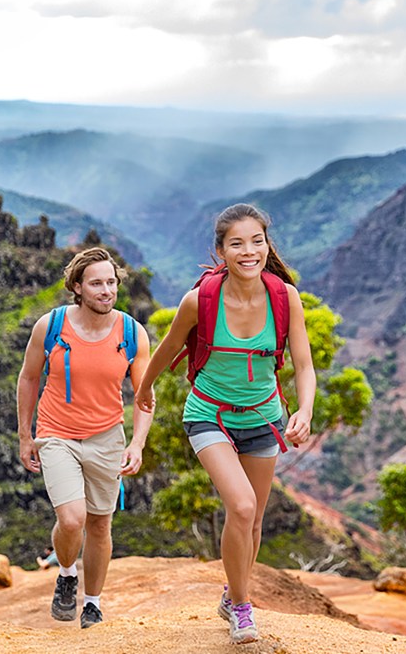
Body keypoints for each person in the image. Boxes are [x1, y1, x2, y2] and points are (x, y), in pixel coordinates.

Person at [134, 204, 315, 645]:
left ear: (267, 245)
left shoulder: (284, 297)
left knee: (253, 522)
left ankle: (232, 595)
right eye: (237, 243)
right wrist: (144, 387)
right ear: (221, 251)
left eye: (257, 241)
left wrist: (305, 410)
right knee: (243, 506)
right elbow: (168, 347)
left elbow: (304, 365)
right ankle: (242, 607)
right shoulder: (200, 301)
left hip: (264, 416)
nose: (248, 251)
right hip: (209, 414)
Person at [16, 247, 153, 629]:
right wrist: (25, 435)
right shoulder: (51, 326)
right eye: (96, 284)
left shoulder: (132, 333)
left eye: (111, 282)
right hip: (56, 433)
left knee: (99, 524)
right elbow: (29, 378)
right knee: (72, 518)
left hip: (107, 437)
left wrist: (137, 443)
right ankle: (66, 573)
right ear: (77, 287)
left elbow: (144, 396)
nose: (106, 291)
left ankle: (92, 603)